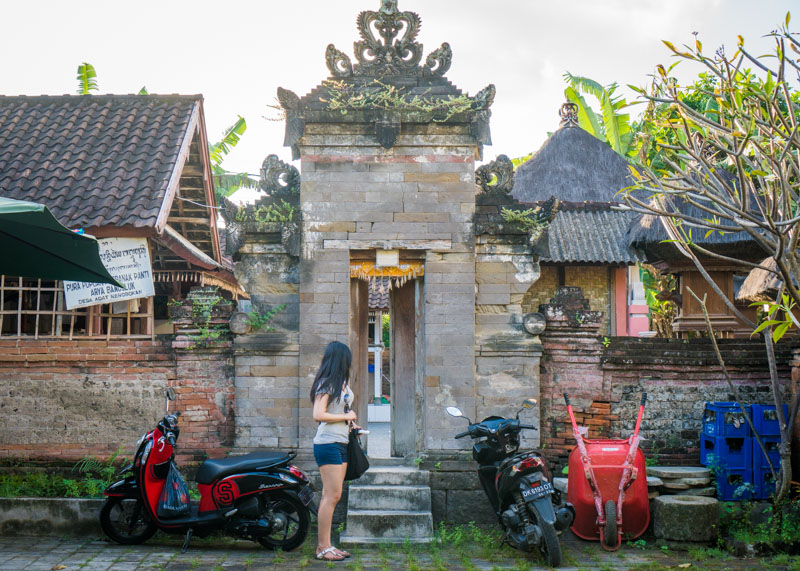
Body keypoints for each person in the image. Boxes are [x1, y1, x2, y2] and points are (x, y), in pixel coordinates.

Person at [310, 341, 359, 562]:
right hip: (327, 443)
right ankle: (322, 548)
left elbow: (339, 411)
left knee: (335, 495)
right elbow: (318, 415)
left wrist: (351, 425)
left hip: (342, 442)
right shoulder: (327, 383)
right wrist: (346, 417)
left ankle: (328, 545)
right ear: (340, 359)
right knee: (330, 496)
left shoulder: (342, 384)